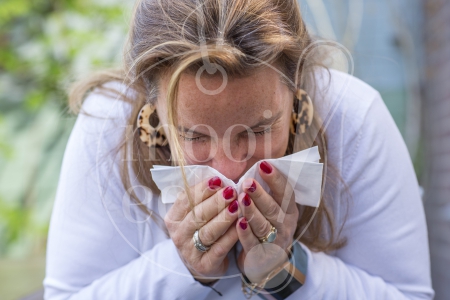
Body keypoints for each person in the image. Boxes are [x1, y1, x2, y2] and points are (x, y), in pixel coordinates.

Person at [43, 0, 434, 299]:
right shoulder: (106, 124)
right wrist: (180, 269)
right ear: (151, 107)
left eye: (260, 128)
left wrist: (286, 272)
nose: (230, 169)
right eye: (195, 136)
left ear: (297, 89)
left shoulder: (353, 117)